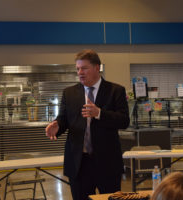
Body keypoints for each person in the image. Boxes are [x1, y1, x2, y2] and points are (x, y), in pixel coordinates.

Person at [45, 49, 130, 200]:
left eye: (84, 68)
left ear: (97, 68)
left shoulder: (115, 90)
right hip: (79, 163)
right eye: (78, 69)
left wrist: (99, 113)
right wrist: (57, 125)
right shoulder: (69, 93)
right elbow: (64, 119)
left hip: (107, 162)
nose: (80, 72)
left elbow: (124, 121)